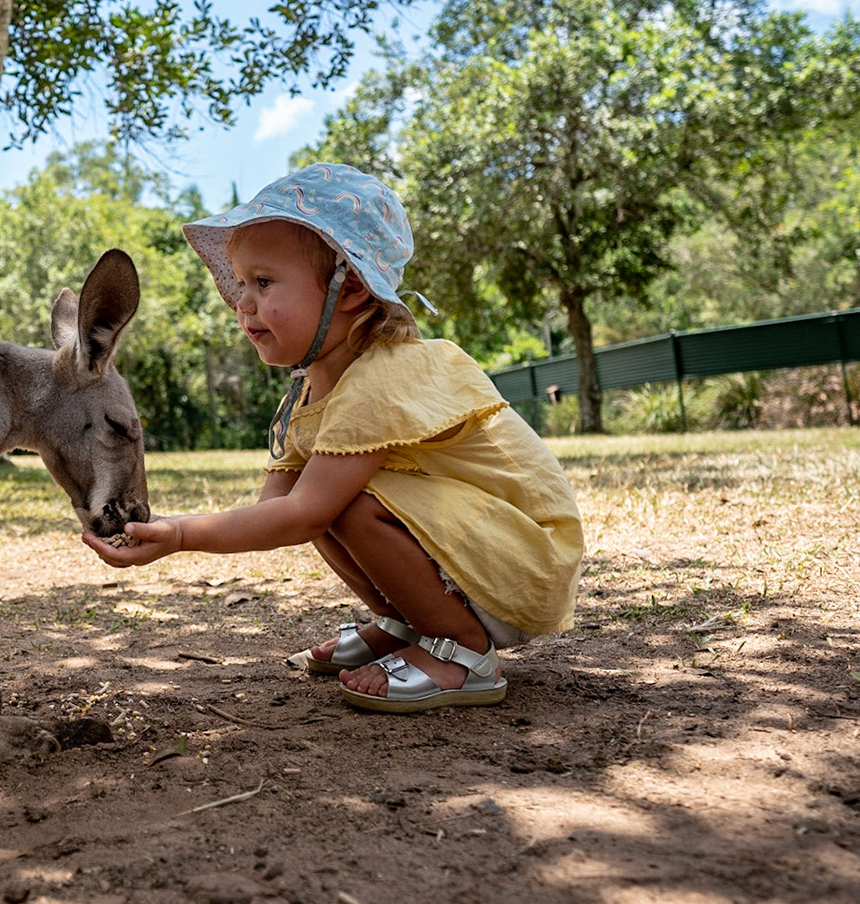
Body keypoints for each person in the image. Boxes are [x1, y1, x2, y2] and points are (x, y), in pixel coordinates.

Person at [83, 163, 582, 713]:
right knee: (323, 504)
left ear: (350, 291)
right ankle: (407, 625)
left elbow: (303, 513)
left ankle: (463, 652)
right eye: (241, 283)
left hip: (524, 564)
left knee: (338, 505)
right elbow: (275, 512)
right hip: (478, 559)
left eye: (264, 282)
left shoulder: (383, 377)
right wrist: (167, 529)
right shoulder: (314, 388)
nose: (242, 303)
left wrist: (179, 536)